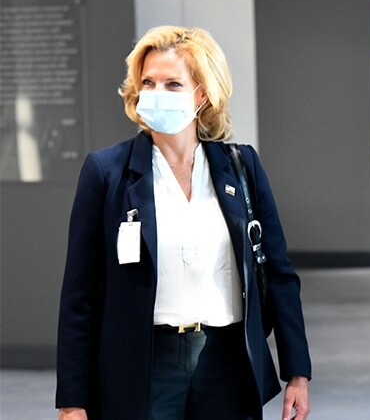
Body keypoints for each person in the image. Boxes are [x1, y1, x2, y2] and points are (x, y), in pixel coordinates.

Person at [55, 26, 311, 420]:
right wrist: (73, 402)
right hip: (144, 365)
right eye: (148, 83)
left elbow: (278, 274)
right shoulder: (107, 173)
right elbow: (80, 296)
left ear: (202, 94)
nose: (156, 94)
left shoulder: (241, 167)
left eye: (173, 84)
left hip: (226, 361)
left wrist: (297, 372)